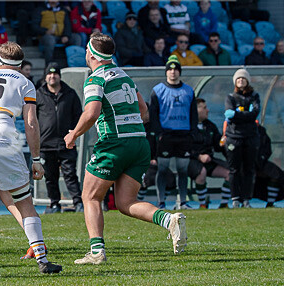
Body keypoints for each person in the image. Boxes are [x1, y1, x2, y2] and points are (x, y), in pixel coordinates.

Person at [65, 33, 186, 265]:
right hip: (139, 142)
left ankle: (97, 252)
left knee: (89, 196)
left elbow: (91, 113)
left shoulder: (96, 79)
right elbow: (144, 111)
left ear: (90, 52)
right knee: (125, 202)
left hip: (115, 142)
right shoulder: (125, 76)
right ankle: (169, 220)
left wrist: (74, 134)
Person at [0, 42, 63, 275]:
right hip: (2, 139)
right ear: (21, 63)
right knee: (24, 201)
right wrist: (36, 158)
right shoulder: (24, 83)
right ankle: (42, 259)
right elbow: (31, 123)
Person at [148, 56, 198, 209]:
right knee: (162, 169)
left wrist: (192, 132)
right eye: (170, 69)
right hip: (166, 135)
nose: (173, 72)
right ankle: (161, 202)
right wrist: (159, 133)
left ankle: (182, 202)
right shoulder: (158, 90)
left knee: (183, 170)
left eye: (175, 69)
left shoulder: (188, 91)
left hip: (183, 135)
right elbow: (153, 114)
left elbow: (194, 114)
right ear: (166, 72)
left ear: (179, 72)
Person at [37, 63, 83, 213]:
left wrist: (74, 132)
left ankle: (78, 203)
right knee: (50, 177)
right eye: (49, 74)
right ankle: (54, 203)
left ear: (59, 76)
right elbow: (33, 117)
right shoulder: (39, 94)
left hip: (66, 142)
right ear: (45, 77)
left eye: (55, 74)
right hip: (46, 143)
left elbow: (78, 115)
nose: (52, 76)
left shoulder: (70, 93)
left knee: (70, 174)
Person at [223, 68, 261, 208]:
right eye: (238, 79)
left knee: (249, 168)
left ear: (247, 81)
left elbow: (254, 114)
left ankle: (246, 199)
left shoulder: (254, 96)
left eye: (243, 78)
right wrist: (246, 115)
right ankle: (235, 198)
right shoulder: (230, 97)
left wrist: (237, 115)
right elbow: (228, 114)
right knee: (234, 169)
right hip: (234, 137)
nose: (240, 81)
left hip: (250, 137)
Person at [188, 98, 231, 209]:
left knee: (230, 173)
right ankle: (203, 204)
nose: (207, 110)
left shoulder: (210, 125)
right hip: (191, 161)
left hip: (209, 160)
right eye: (204, 108)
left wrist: (222, 142)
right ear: (195, 109)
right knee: (201, 173)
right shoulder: (187, 126)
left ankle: (224, 204)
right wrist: (198, 156)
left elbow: (217, 146)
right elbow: (184, 147)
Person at [32, 0, 77, 64]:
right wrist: (45, 31)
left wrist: (66, 35)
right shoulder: (40, 9)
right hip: (46, 35)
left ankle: (76, 62)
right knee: (50, 40)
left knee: (77, 37)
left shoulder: (63, 10)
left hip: (62, 35)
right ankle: (48, 64)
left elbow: (68, 24)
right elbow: (34, 26)